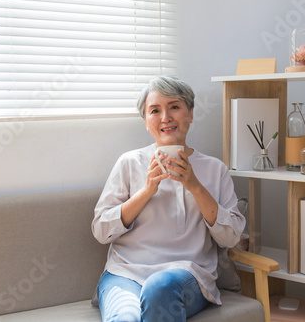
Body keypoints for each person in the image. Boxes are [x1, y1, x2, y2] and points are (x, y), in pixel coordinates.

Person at [91, 76, 245, 322]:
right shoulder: (129, 163)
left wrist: (194, 185)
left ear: (191, 114)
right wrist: (146, 191)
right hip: (126, 274)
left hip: (187, 275)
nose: (165, 118)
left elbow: (231, 237)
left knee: (160, 287)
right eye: (155, 110)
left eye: (174, 107)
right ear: (145, 121)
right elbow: (101, 230)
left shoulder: (215, 169)